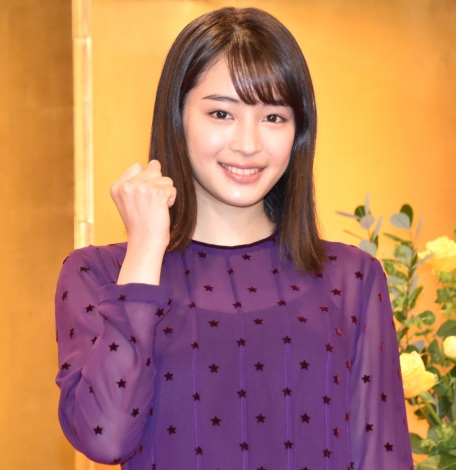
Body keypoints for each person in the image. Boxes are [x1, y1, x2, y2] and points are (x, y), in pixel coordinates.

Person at [55, 7, 414, 469]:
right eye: (222, 113)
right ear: (177, 116)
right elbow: (105, 439)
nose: (248, 144)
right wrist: (144, 251)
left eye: (273, 117)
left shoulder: (352, 278)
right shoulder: (98, 274)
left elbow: (382, 457)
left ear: (298, 132)